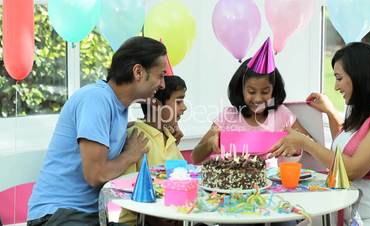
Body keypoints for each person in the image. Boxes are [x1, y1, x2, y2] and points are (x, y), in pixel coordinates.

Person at [27, 36, 168, 226]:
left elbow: (109, 135)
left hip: (87, 216)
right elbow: (96, 175)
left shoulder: (118, 107)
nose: (163, 85)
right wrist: (130, 154)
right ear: (138, 72)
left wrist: (162, 129)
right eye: (160, 75)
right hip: (56, 215)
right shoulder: (96, 99)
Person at [270, 42, 370, 225]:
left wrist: (305, 143)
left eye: (339, 78)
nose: (336, 87)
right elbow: (344, 147)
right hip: (350, 213)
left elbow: (351, 169)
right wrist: (330, 112)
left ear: (359, 77)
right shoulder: (363, 113)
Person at [191, 38, 308, 167]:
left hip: (269, 185)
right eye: (251, 92)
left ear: (274, 90)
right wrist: (209, 144)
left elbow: (309, 145)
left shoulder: (282, 115)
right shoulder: (227, 117)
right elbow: (195, 157)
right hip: (232, 183)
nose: (258, 99)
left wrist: (296, 146)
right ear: (240, 90)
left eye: (265, 92)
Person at [118, 75, 187, 226]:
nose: (184, 107)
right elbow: (124, 191)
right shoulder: (136, 137)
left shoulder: (169, 138)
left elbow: (181, 184)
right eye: (179, 101)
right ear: (156, 104)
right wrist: (154, 214)